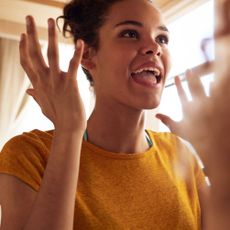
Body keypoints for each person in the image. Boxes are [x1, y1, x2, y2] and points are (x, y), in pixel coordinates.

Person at [0, 0, 229, 229]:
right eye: (130, 33)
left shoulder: (180, 154)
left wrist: (219, 161)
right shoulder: (30, 154)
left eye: (162, 39)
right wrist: (68, 131)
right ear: (88, 55)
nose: (154, 47)